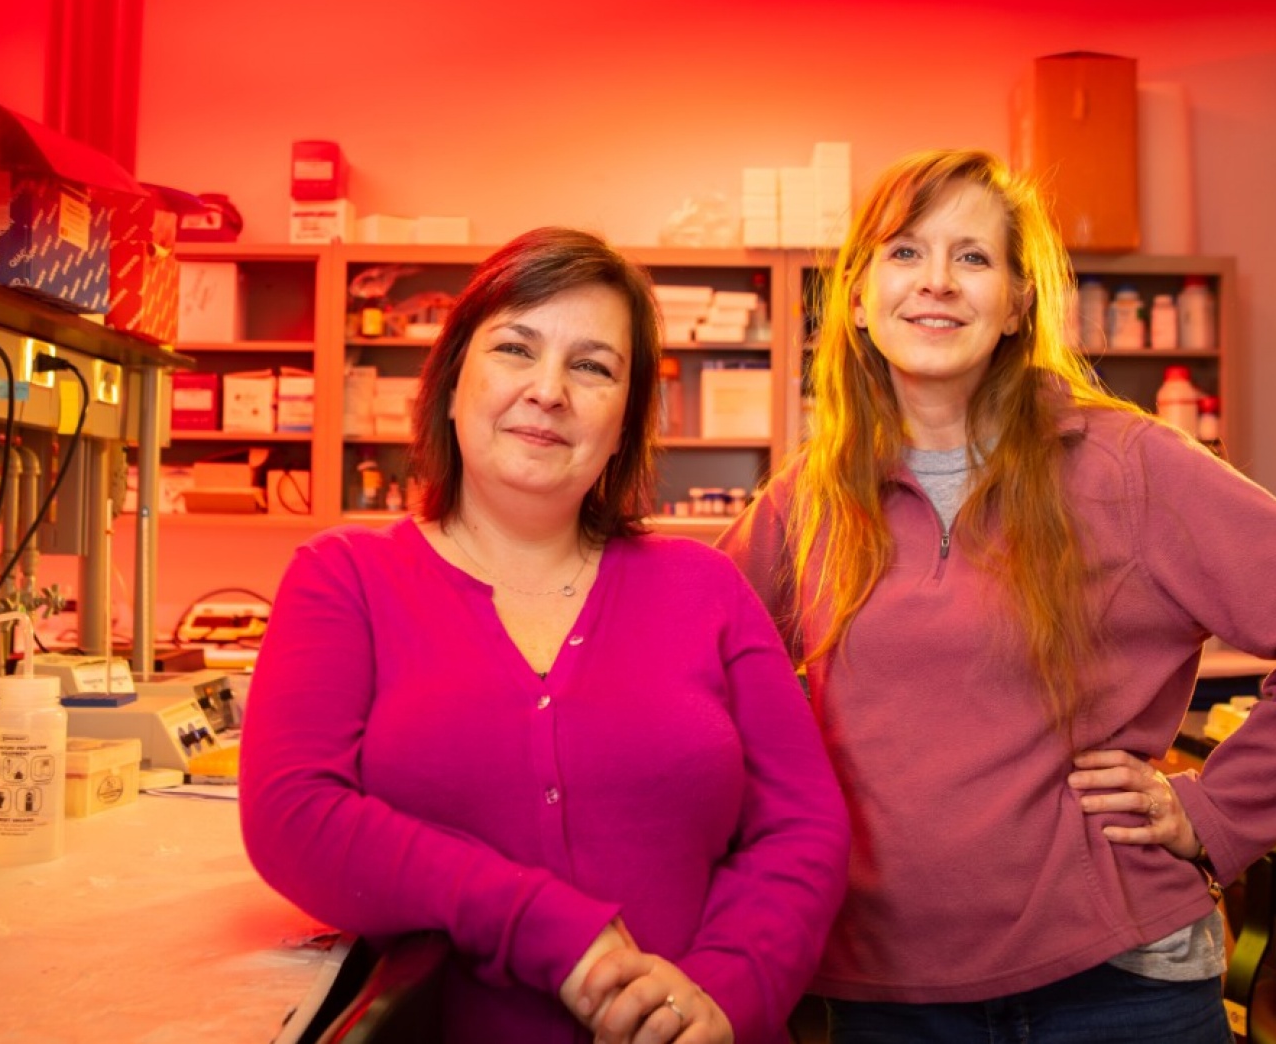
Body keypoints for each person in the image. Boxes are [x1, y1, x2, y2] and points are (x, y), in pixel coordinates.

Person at [717, 150, 1276, 1043]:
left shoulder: (1129, 466)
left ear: (1019, 304)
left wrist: (1211, 811)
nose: (936, 281)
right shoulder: (809, 499)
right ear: (858, 297)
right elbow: (690, 675)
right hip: (885, 988)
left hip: (1114, 987)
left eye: (973, 257)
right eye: (904, 252)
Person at [241, 227, 851, 1044]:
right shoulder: (344, 577)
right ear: (450, 383)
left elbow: (804, 828)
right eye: (515, 349)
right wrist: (548, 929)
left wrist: (718, 995)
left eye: (593, 367)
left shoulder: (706, 586)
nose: (549, 391)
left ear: (625, 423)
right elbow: (294, 815)